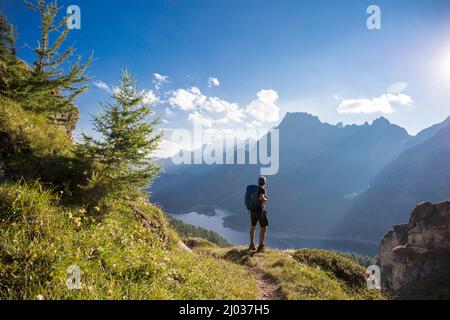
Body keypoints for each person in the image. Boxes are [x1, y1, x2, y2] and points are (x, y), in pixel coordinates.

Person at [249, 176, 269, 252]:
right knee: (264, 228)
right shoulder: (262, 189)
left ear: (258, 182)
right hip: (259, 211)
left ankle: (251, 243)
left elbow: (255, 197)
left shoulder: (255, 189)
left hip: (253, 210)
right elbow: (261, 198)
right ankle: (260, 245)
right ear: (264, 183)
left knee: (253, 227)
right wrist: (266, 199)